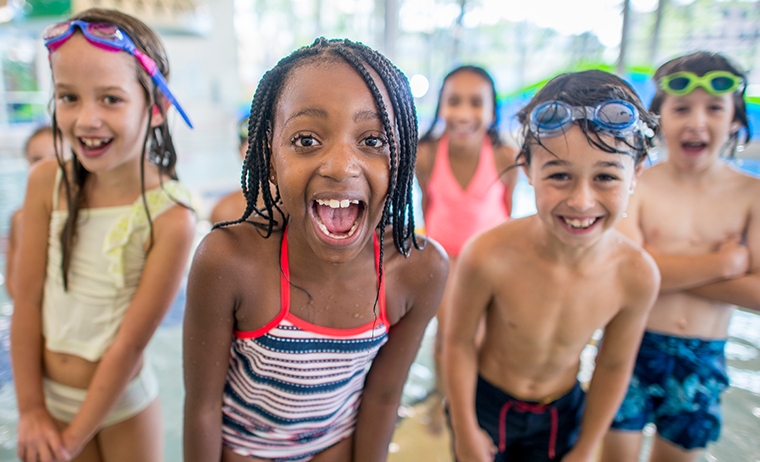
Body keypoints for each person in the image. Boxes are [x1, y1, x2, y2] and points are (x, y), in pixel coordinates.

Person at [183, 37, 448, 462]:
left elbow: (382, 399)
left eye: (374, 140)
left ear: (406, 156)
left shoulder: (418, 268)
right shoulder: (229, 261)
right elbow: (202, 407)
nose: (341, 166)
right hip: (244, 451)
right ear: (269, 157)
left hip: (336, 449)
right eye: (306, 140)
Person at [443, 70, 661, 462]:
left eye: (606, 176)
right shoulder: (488, 254)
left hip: (563, 412)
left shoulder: (636, 275)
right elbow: (457, 343)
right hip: (484, 404)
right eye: (559, 175)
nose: (581, 201)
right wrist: (464, 429)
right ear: (527, 168)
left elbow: (612, 367)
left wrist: (586, 447)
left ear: (637, 172)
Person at [10, 8, 195, 462]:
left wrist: (72, 441)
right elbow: (27, 301)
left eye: (110, 99)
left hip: (123, 407)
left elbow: (129, 345)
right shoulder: (45, 182)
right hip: (46, 401)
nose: (86, 119)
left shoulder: (171, 217)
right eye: (69, 97)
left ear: (157, 108)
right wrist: (31, 409)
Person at [602, 52, 760, 462]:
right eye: (682, 108)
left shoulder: (751, 196)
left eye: (714, 108)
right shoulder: (638, 185)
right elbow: (620, 275)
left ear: (736, 121)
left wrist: (654, 263)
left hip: (702, 356)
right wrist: (723, 265)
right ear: (657, 119)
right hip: (630, 344)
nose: (697, 121)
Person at [415, 66, 518, 431]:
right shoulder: (426, 154)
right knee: (448, 334)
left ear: (492, 112)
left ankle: (479, 403)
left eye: (476, 103)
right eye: (454, 101)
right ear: (441, 107)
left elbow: (507, 209)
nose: (463, 113)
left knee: (486, 336)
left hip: (489, 260)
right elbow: (427, 204)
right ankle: (447, 400)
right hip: (445, 258)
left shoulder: (505, 155)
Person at [5, 125, 59, 300]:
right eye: (36, 159)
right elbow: (12, 283)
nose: (46, 166)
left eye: (55, 157)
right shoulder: (19, 218)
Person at [209, 116, 250, 224]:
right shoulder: (223, 212)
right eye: (252, 146)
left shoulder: (296, 205)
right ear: (240, 151)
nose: (262, 152)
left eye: (266, 143)